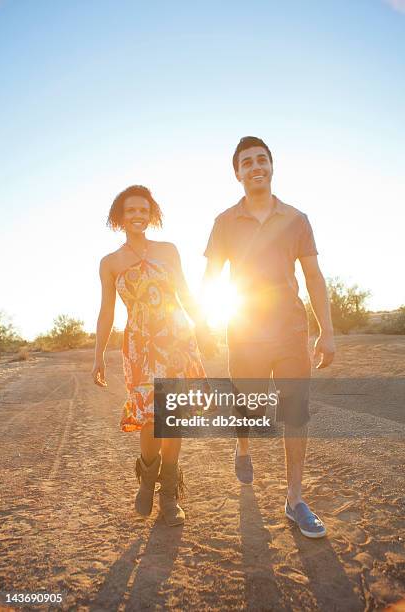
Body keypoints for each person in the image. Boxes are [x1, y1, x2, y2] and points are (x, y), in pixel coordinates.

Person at [203, 136, 335, 538]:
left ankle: (294, 498)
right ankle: (242, 447)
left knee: (296, 411)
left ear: (272, 166)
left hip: (292, 332)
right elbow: (210, 279)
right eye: (247, 162)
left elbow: (313, 276)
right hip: (244, 331)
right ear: (237, 172)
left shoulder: (296, 219)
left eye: (262, 159)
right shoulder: (224, 222)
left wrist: (326, 332)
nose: (256, 166)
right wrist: (204, 324)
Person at [92, 184, 211, 527]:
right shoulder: (110, 263)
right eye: (131, 211)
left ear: (152, 213)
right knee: (149, 418)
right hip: (140, 347)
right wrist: (98, 355)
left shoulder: (169, 251)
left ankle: (169, 493)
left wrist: (203, 326)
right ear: (120, 217)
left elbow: (186, 295)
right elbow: (106, 312)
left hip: (176, 341)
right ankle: (147, 474)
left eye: (143, 210)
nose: (138, 216)